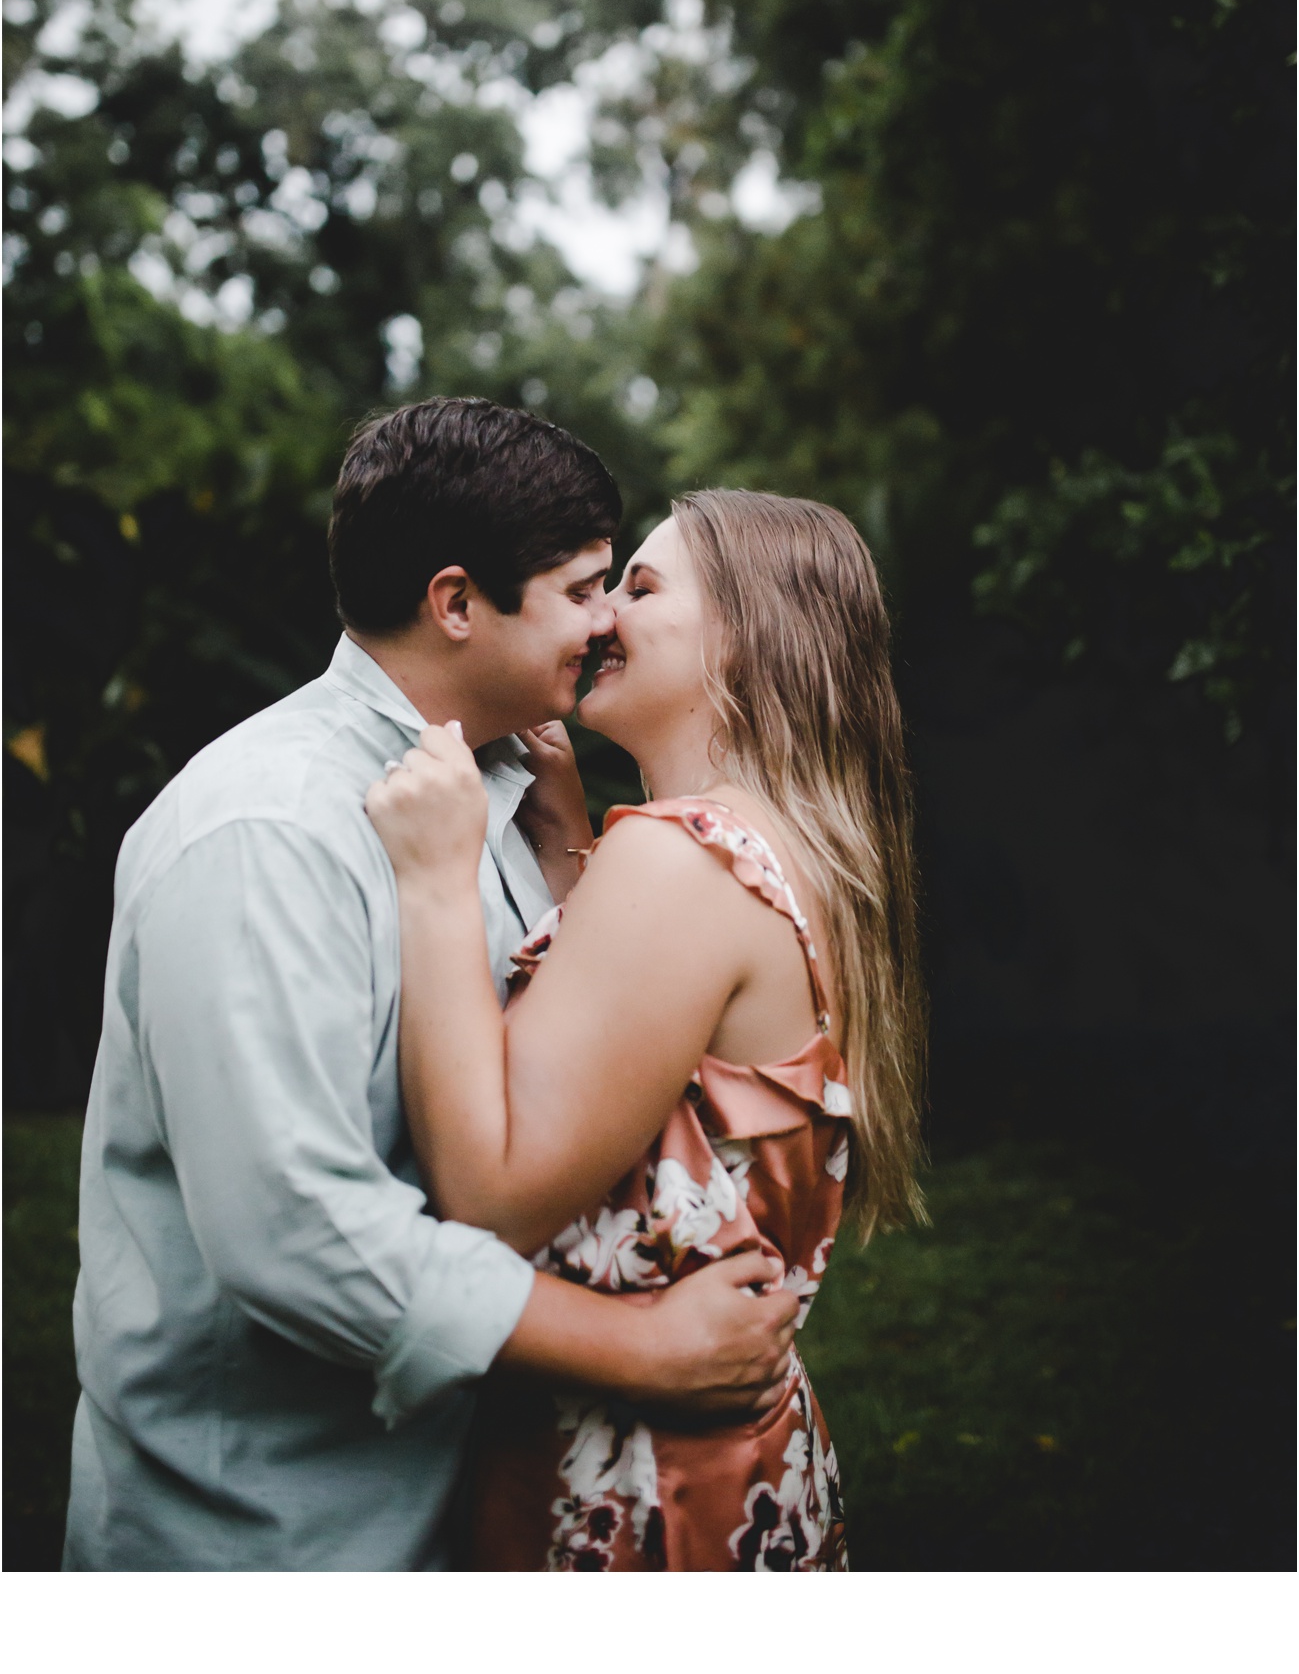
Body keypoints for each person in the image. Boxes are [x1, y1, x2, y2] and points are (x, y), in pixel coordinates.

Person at [63, 401, 797, 1573]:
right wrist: (642, 1348)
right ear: (456, 602)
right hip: (271, 1538)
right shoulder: (266, 833)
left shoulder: (495, 783)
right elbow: (293, 1231)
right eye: (582, 587)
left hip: (467, 1513)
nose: (609, 622)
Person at [365, 486, 926, 1571]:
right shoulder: (790, 854)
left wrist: (436, 877)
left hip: (633, 1489)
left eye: (642, 584)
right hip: (748, 1468)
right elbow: (671, 1077)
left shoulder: (680, 859)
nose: (601, 612)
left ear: (750, 639)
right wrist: (574, 832)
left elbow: (489, 1189)